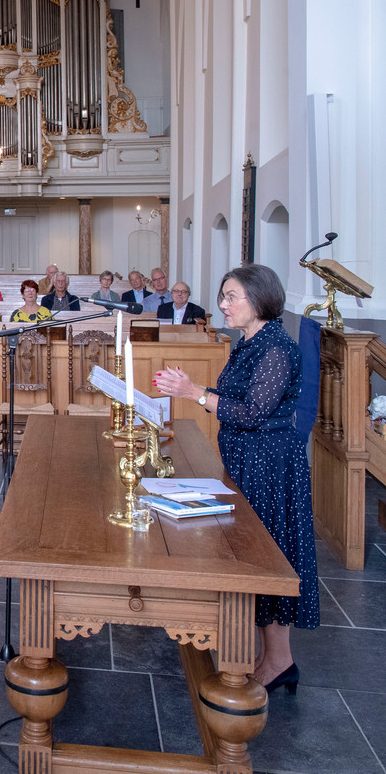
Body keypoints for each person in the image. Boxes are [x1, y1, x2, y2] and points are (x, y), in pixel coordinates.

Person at [153, 264, 318, 691]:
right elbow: (236, 397)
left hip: (269, 466)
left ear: (259, 298)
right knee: (251, 554)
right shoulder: (249, 342)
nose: (223, 305)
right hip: (247, 463)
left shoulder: (278, 348)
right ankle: (269, 655)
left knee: (268, 557)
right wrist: (193, 387)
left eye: (231, 297)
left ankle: (279, 661)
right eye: (223, 296)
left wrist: (194, 394)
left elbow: (253, 412)